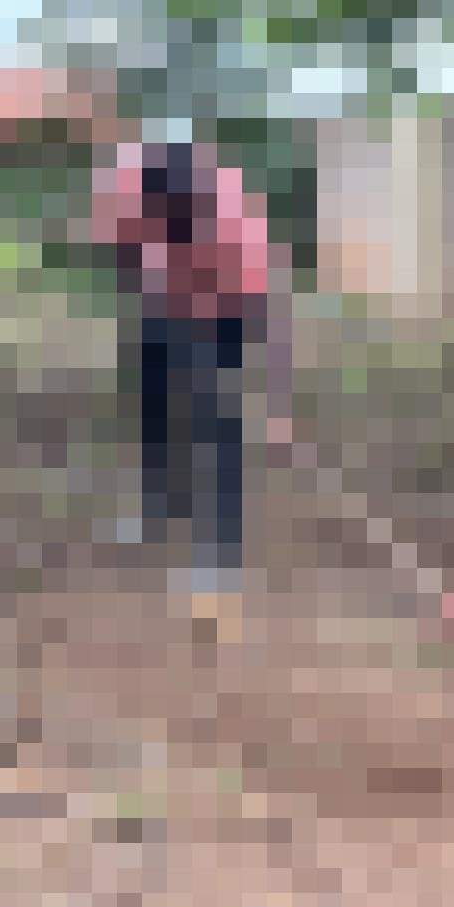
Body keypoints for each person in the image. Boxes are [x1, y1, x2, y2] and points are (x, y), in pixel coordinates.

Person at [85, 134, 293, 599]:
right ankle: (161, 506)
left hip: (228, 310)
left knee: (215, 423)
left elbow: (268, 314)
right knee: (155, 401)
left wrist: (277, 399)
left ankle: (219, 546)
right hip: (165, 303)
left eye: (179, 224)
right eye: (158, 221)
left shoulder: (236, 230)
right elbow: (122, 252)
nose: (166, 228)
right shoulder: (132, 195)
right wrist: (156, 289)